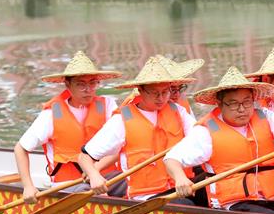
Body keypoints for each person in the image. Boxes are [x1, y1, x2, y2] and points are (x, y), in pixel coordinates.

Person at [164, 67, 274, 214]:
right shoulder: (206, 131)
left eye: (247, 102)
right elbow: (171, 159)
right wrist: (180, 179)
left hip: (272, 196)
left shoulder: (264, 116)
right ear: (220, 103)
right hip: (233, 202)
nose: (242, 109)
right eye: (234, 103)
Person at [78, 56, 197, 200]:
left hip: (181, 186)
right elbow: (84, 157)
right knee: (185, 204)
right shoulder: (122, 119)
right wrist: (94, 175)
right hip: (148, 196)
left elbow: (201, 140)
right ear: (140, 90)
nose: (161, 98)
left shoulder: (179, 111)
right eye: (155, 93)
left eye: (165, 92)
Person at [14, 52, 123, 202]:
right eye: (81, 84)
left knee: (133, 180)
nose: (88, 89)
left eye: (92, 83)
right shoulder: (51, 114)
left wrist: (94, 171)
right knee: (89, 191)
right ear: (68, 85)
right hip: (68, 185)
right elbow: (20, 148)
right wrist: (28, 186)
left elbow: (122, 144)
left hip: (105, 177)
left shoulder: (108, 105)